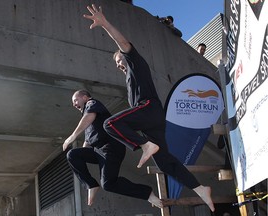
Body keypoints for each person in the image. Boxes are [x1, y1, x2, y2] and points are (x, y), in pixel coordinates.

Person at [83, 4, 215, 212]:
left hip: (149, 109)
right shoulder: (129, 79)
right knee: (165, 162)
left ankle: (145, 146)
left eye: (119, 60)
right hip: (151, 121)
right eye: (117, 63)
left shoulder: (136, 62)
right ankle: (200, 188)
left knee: (110, 124)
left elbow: (123, 42)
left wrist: (105, 24)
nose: (119, 64)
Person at [62, 90, 163, 208]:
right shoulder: (87, 115)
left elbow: (89, 116)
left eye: (75, 100)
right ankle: (91, 185)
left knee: (108, 184)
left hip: (111, 149)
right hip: (98, 151)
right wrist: (84, 154)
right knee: (72, 154)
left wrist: (73, 136)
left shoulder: (92, 103)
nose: (74, 104)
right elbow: (88, 139)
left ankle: (147, 193)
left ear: (84, 97)